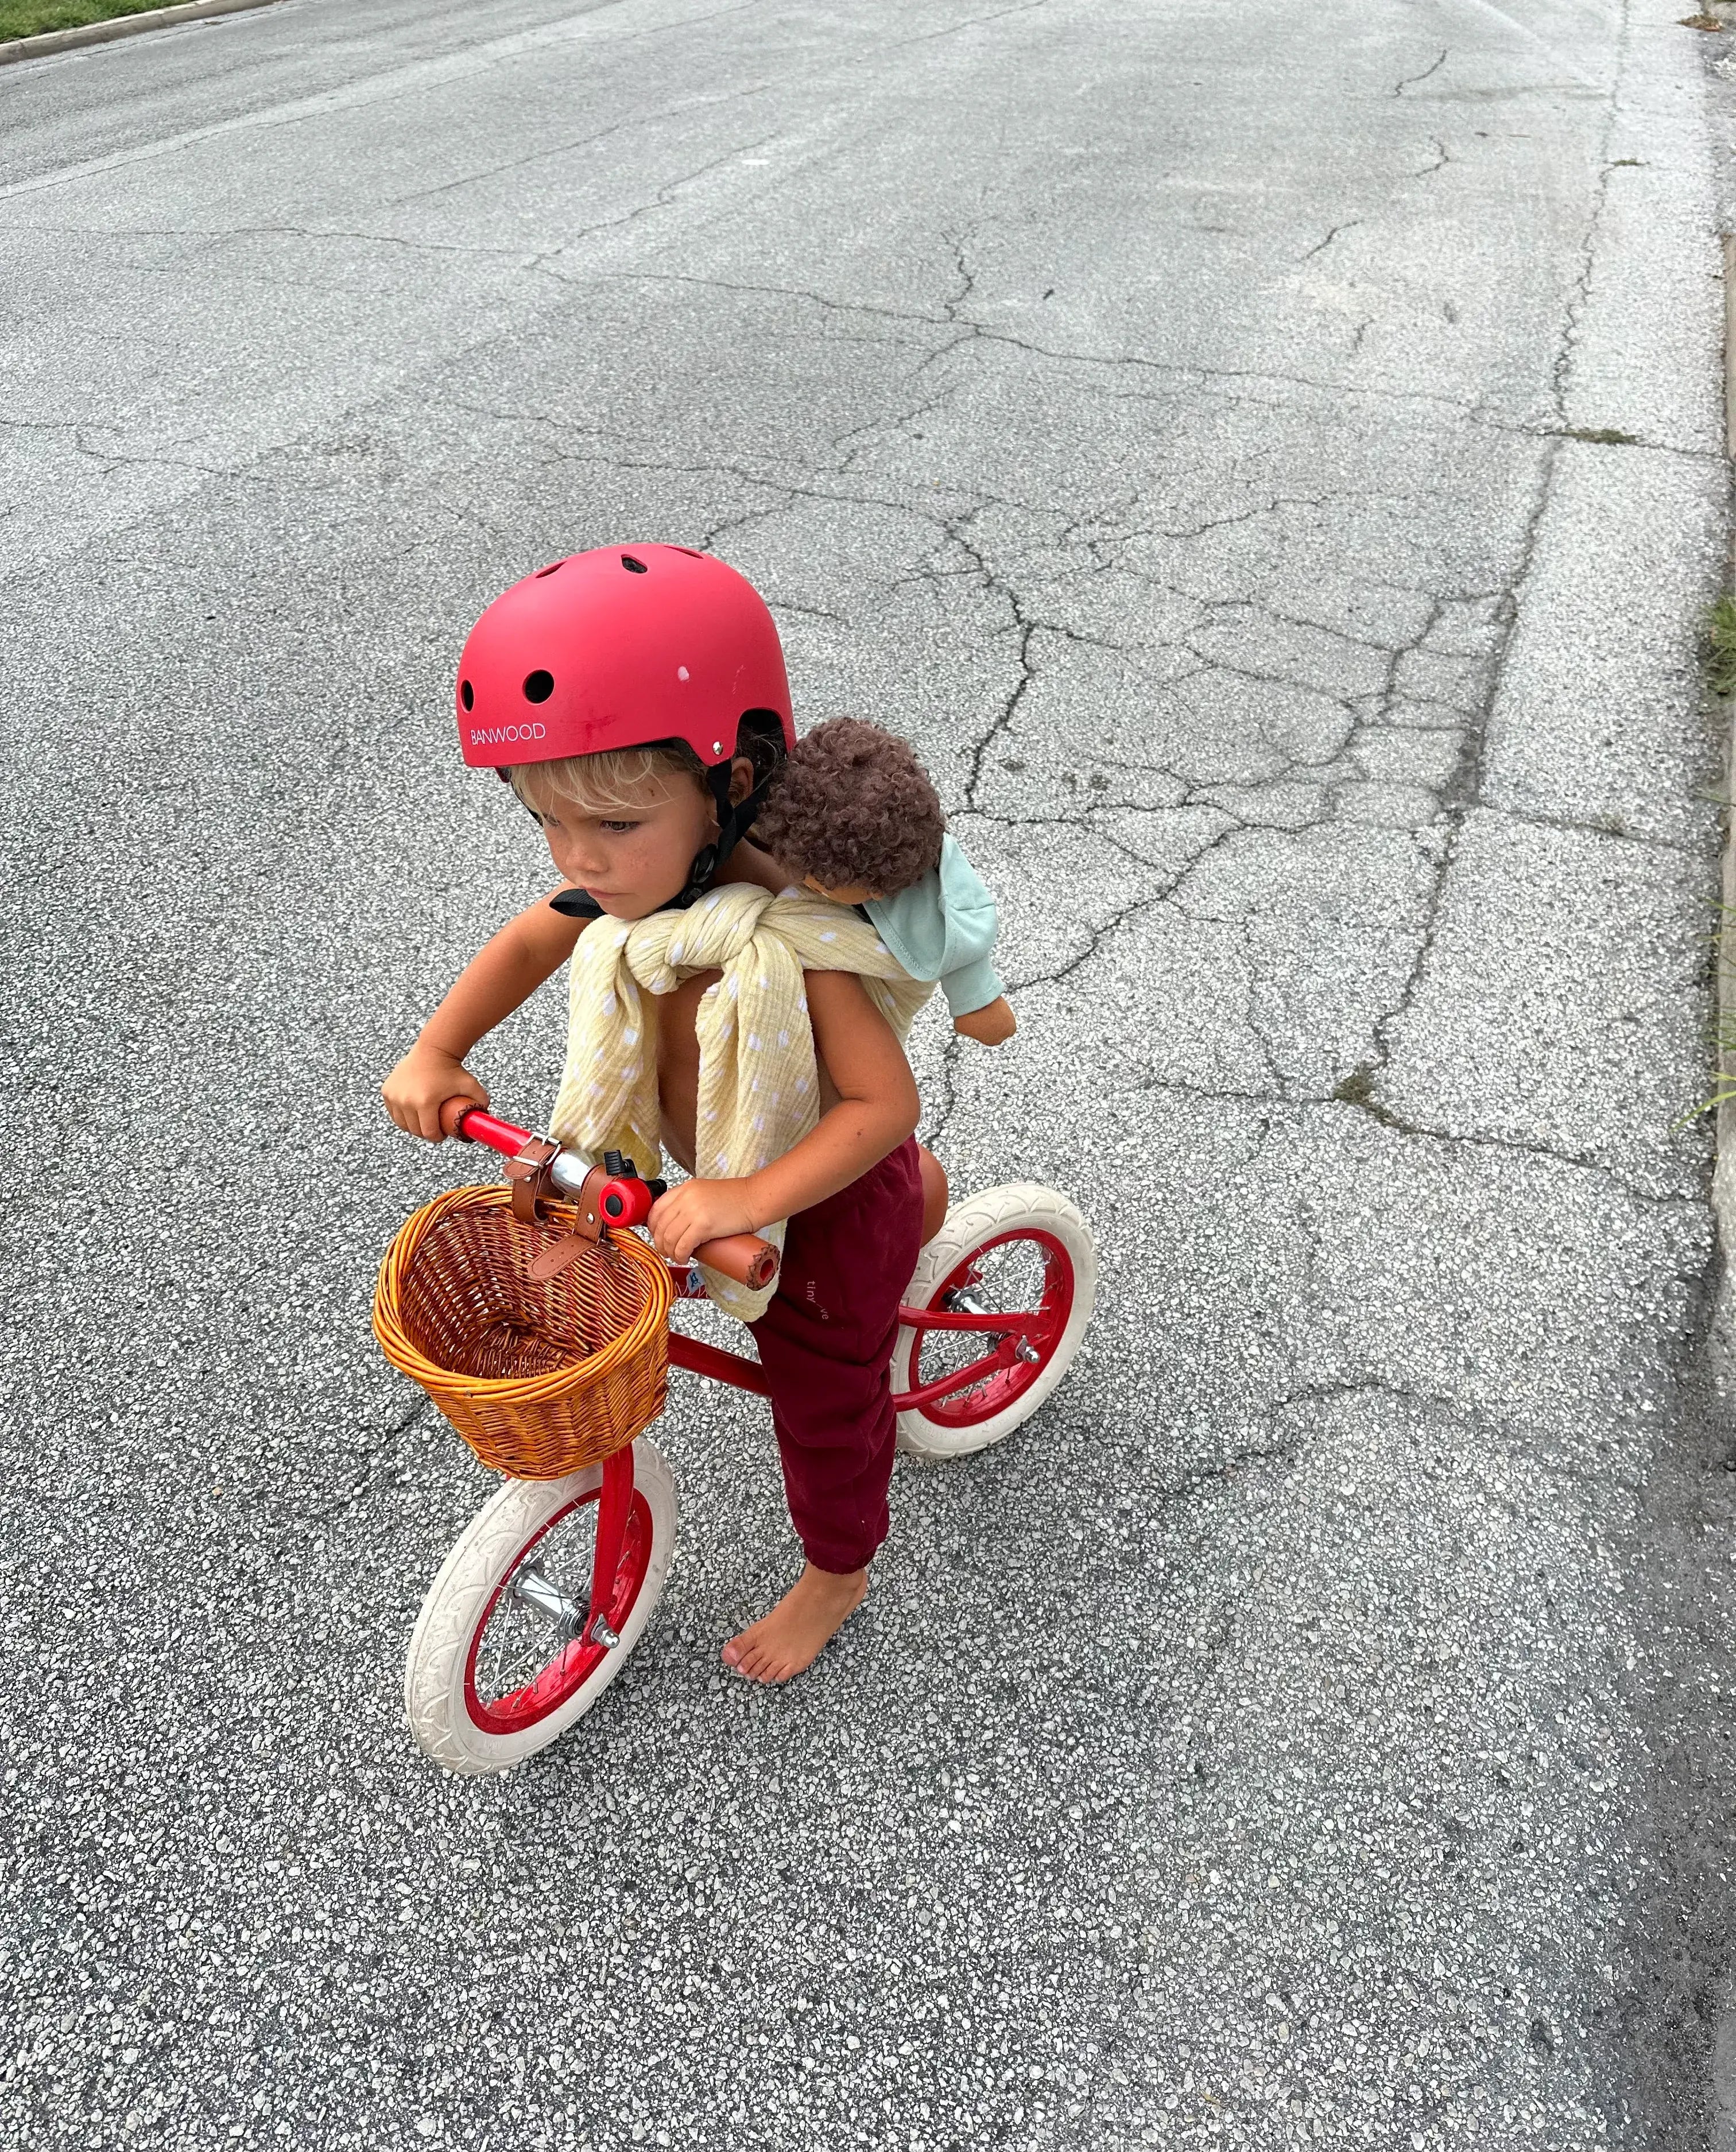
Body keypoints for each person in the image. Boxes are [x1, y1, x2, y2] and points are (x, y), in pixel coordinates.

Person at [382, 544, 946, 1684]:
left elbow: (886, 1103)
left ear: (729, 780)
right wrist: (440, 1050)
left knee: (825, 1398)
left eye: (613, 826)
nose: (580, 858)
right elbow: (539, 934)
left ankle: (840, 1569)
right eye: (547, 821)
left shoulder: (789, 936)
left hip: (817, 1203)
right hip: (699, 1181)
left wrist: (747, 1196)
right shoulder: (646, 877)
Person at [751, 716, 1017, 1046]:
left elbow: (963, 942)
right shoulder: (798, 826)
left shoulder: (930, 895)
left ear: (878, 887)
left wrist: (978, 1004)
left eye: (826, 883)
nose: (815, 884)